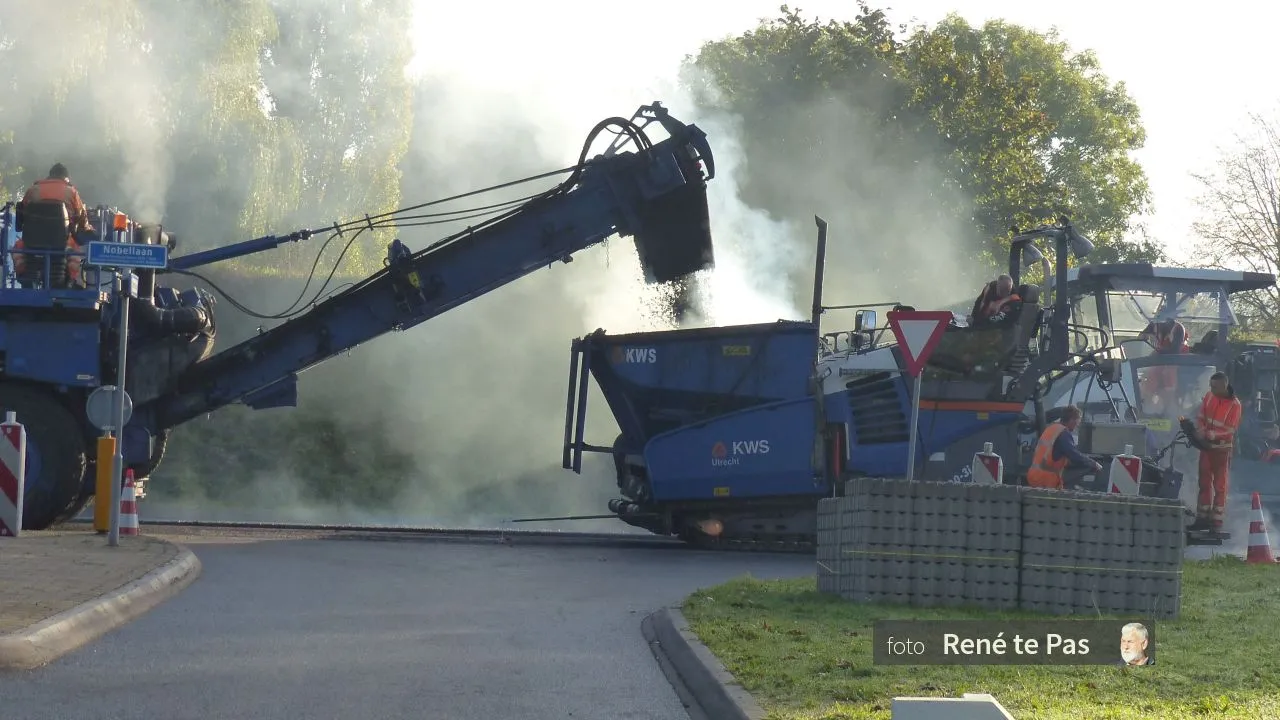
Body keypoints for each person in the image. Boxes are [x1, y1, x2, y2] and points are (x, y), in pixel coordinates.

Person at [11, 163, 89, 286]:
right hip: (62, 242)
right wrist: (87, 229)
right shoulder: (71, 192)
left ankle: (24, 275)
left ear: (50, 176)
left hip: (32, 242)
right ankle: (70, 280)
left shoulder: (33, 190)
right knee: (76, 252)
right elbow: (81, 218)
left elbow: (22, 212)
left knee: (17, 248)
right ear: (66, 178)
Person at [1189, 372, 1243, 532]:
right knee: (1204, 483)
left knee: (1220, 486)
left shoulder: (1235, 405)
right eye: (1210, 386)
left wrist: (1213, 434)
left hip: (1221, 450)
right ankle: (1202, 517)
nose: (1211, 389)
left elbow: (1230, 430)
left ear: (1224, 386)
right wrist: (1201, 430)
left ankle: (1216, 521)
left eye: (1214, 387)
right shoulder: (1209, 396)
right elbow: (1201, 416)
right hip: (1206, 447)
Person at [1025, 404, 1104, 489]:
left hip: (1035, 476)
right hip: (1045, 479)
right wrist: (1093, 464)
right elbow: (1073, 455)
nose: (1077, 425)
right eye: (1077, 421)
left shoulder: (1051, 429)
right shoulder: (1063, 433)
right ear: (1071, 420)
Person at [1138, 318, 1189, 410]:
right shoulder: (1154, 326)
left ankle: (1169, 408)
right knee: (1148, 376)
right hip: (1160, 362)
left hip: (1176, 362)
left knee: (1168, 374)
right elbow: (1140, 338)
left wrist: (1156, 352)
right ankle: (1145, 406)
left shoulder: (1178, 328)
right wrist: (1146, 336)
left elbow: (1174, 351)